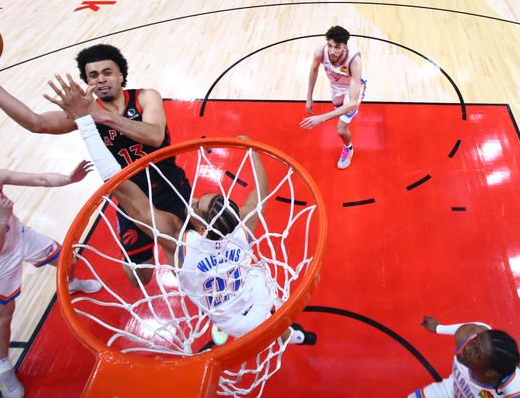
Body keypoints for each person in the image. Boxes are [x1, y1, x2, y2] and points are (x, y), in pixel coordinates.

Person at [44, 74, 317, 348]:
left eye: (197, 204)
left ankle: (265, 333)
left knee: (236, 320)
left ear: (200, 227)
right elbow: (260, 192)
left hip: (227, 318)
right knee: (274, 319)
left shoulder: (178, 240)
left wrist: (84, 122)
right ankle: (293, 335)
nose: (194, 198)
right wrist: (252, 152)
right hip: (257, 295)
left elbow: (122, 188)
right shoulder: (241, 227)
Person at [0, 44, 192, 287]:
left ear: (120, 76)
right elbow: (36, 123)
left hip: (170, 187)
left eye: (107, 72)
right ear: (88, 83)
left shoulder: (145, 96)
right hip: (130, 199)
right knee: (140, 279)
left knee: (183, 250)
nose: (101, 79)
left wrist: (97, 115)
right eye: (93, 76)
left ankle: (198, 293)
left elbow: (154, 136)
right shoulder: (86, 113)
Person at [0, 154, 101, 398]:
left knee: (68, 258)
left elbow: (41, 179)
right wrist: (0, 221)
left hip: (21, 236)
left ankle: (72, 282)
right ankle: (4, 368)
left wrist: (69, 179)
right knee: (3, 317)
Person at [409, 316, 520, 398]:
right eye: (475, 341)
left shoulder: (515, 390)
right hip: (450, 392)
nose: (467, 348)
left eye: (477, 354)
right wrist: (438, 328)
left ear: (490, 372)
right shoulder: (469, 334)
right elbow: (465, 329)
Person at [300, 25, 367, 170]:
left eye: (337, 47)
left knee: (341, 129)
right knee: (340, 111)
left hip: (352, 89)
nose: (332, 51)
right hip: (336, 87)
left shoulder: (355, 61)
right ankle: (347, 118)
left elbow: (352, 103)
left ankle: (348, 148)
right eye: (330, 45)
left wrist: (320, 118)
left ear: (345, 47)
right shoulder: (321, 52)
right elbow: (314, 69)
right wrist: (309, 97)